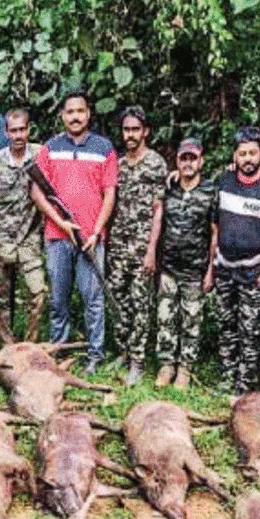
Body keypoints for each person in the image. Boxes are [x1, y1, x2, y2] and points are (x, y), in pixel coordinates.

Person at [33, 90, 117, 374]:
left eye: (80, 111)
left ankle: (95, 356)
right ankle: (59, 352)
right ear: (63, 116)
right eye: (70, 112)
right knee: (58, 299)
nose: (75, 117)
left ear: (88, 114)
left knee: (93, 300)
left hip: (91, 240)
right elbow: (37, 192)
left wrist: (96, 232)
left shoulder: (104, 148)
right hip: (57, 237)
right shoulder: (50, 147)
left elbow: (110, 194)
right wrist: (61, 221)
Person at [208, 125, 260, 395]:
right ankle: (227, 377)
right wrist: (212, 266)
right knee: (226, 325)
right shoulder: (224, 180)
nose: (248, 159)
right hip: (224, 267)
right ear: (235, 156)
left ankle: (245, 386)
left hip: (255, 269)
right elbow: (215, 227)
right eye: (242, 153)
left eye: (253, 152)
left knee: (250, 329)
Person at [103, 106, 164, 384]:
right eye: (126, 130)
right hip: (118, 244)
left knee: (141, 304)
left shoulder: (155, 163)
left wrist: (151, 249)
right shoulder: (117, 162)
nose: (130, 135)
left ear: (145, 131)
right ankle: (123, 351)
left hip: (142, 246)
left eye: (135, 130)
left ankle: (138, 361)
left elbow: (158, 208)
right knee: (118, 299)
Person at [154, 138, 216, 389]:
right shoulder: (168, 188)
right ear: (177, 161)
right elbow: (158, 222)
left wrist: (210, 271)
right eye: (183, 158)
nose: (188, 163)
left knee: (192, 322)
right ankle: (166, 365)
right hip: (168, 267)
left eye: (193, 158)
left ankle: (185, 369)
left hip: (195, 269)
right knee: (165, 319)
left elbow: (215, 233)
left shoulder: (211, 192)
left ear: (201, 161)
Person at [0, 108, 45, 345]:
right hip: (1, 240)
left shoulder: (41, 156)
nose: (18, 135)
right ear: (6, 132)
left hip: (29, 240)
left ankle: (31, 346)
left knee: (37, 294)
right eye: (13, 130)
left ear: (29, 130)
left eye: (22, 129)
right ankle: (5, 348)